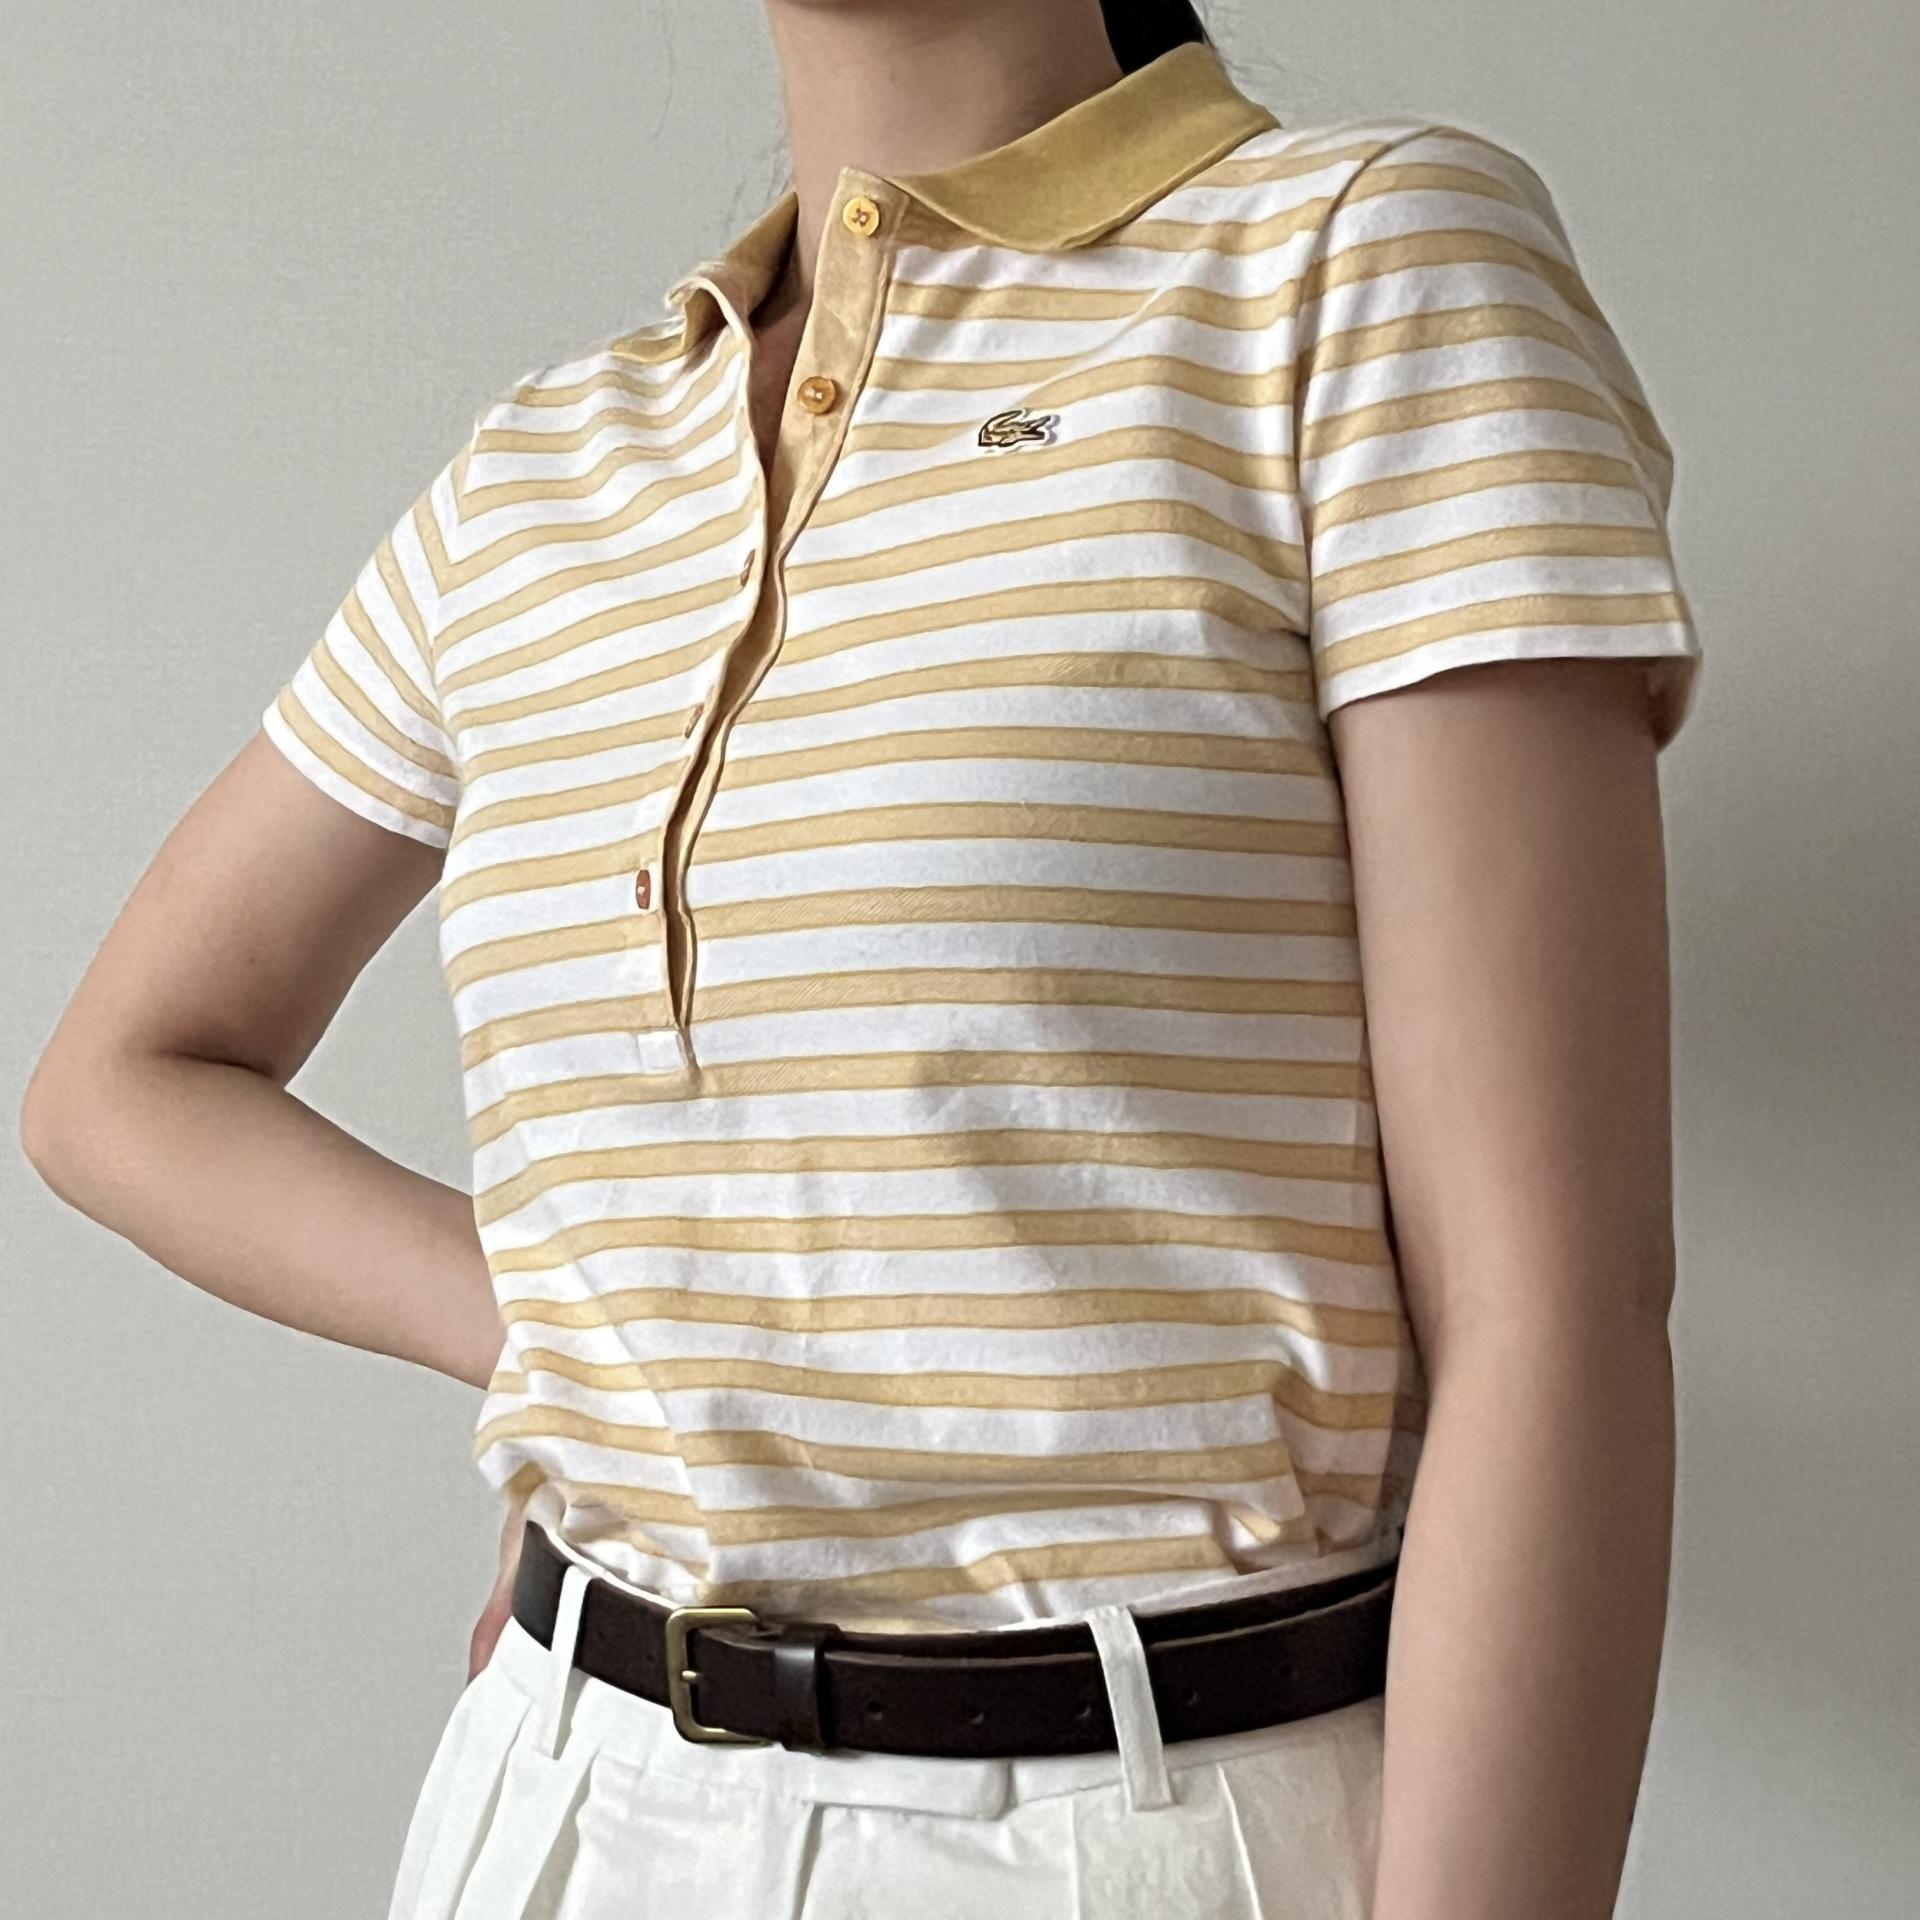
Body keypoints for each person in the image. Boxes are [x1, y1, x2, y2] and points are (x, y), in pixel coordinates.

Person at [20, 0, 1703, 1913]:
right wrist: (586, 1349)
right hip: (558, 1797)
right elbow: (120, 1085)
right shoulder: (544, 472)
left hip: (1124, 1823)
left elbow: (1552, 1303)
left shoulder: (1361, 267)